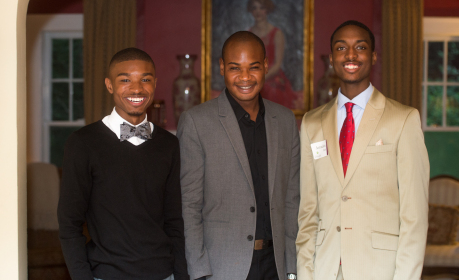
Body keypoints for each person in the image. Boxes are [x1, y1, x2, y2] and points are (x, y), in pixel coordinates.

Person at [296, 20, 429, 280]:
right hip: (325, 269)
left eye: (361, 47)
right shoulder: (311, 123)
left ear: (374, 56)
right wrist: (305, 273)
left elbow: (414, 217)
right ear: (332, 58)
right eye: (341, 48)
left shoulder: (403, 119)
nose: (351, 55)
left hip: (381, 270)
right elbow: (308, 212)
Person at [58, 48, 189, 280]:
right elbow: (69, 224)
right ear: (109, 85)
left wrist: (181, 276)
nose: (137, 88)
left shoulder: (169, 144)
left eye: (145, 80)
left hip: (164, 275)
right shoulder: (83, 143)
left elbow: (175, 222)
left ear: (155, 83)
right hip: (105, 275)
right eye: (125, 80)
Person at [178, 31, 300, 280]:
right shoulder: (196, 122)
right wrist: (199, 273)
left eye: (253, 67)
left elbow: (292, 200)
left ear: (266, 66)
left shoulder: (286, 121)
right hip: (221, 268)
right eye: (235, 68)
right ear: (222, 67)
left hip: (276, 266)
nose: (245, 77)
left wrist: (292, 268)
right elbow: (188, 206)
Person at [247, 0, 299, 109]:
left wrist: (261, 78)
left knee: (270, 90)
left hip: (272, 75)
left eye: (262, 8)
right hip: (253, 75)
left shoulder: (277, 33)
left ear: (267, 10)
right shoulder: (248, 34)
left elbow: (277, 63)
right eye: (254, 8)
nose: (258, 11)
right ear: (250, 10)